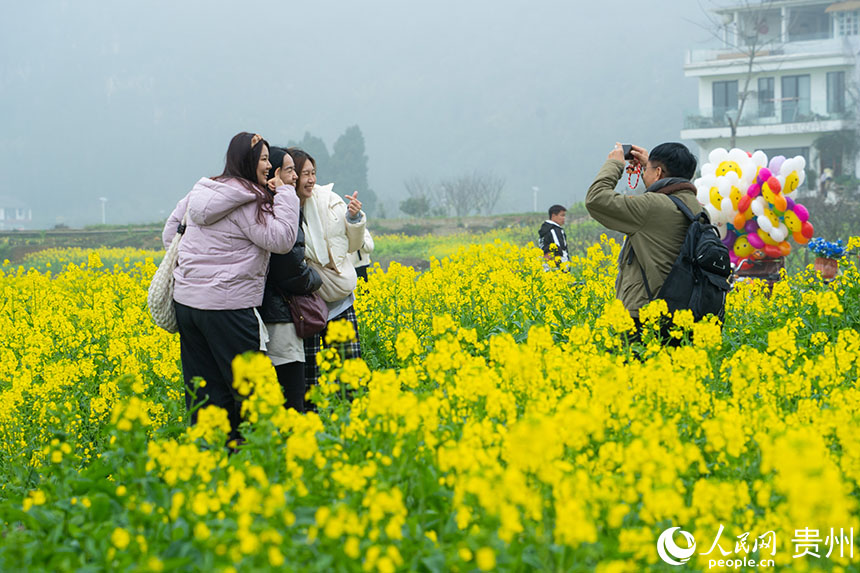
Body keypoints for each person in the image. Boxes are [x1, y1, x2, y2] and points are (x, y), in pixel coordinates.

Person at [162, 132, 300, 443]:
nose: (269, 166)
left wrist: (198, 269)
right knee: (253, 393)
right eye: (263, 159)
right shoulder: (247, 199)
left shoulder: (202, 190)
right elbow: (281, 239)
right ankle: (256, 455)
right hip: (228, 308)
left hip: (188, 305)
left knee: (206, 393)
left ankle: (211, 459)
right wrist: (286, 193)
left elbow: (170, 233)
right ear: (248, 161)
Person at [585, 142, 700, 338]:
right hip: (683, 312)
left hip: (643, 316)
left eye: (646, 170)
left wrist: (615, 164)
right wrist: (651, 168)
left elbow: (596, 199)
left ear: (658, 172)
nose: (643, 173)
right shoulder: (697, 208)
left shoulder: (652, 207)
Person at [286, 148, 366, 404]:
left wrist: (353, 218)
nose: (311, 179)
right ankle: (312, 424)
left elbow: (352, 246)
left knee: (349, 375)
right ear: (291, 176)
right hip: (306, 305)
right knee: (310, 379)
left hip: (339, 300)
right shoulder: (280, 207)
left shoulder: (329, 201)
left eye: (313, 173)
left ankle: (351, 421)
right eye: (304, 174)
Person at [258, 146, 321, 412]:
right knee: (292, 396)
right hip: (280, 314)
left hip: (263, 312)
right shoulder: (280, 208)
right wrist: (315, 279)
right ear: (275, 174)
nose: (295, 176)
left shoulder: (261, 204)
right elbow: (289, 268)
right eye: (290, 170)